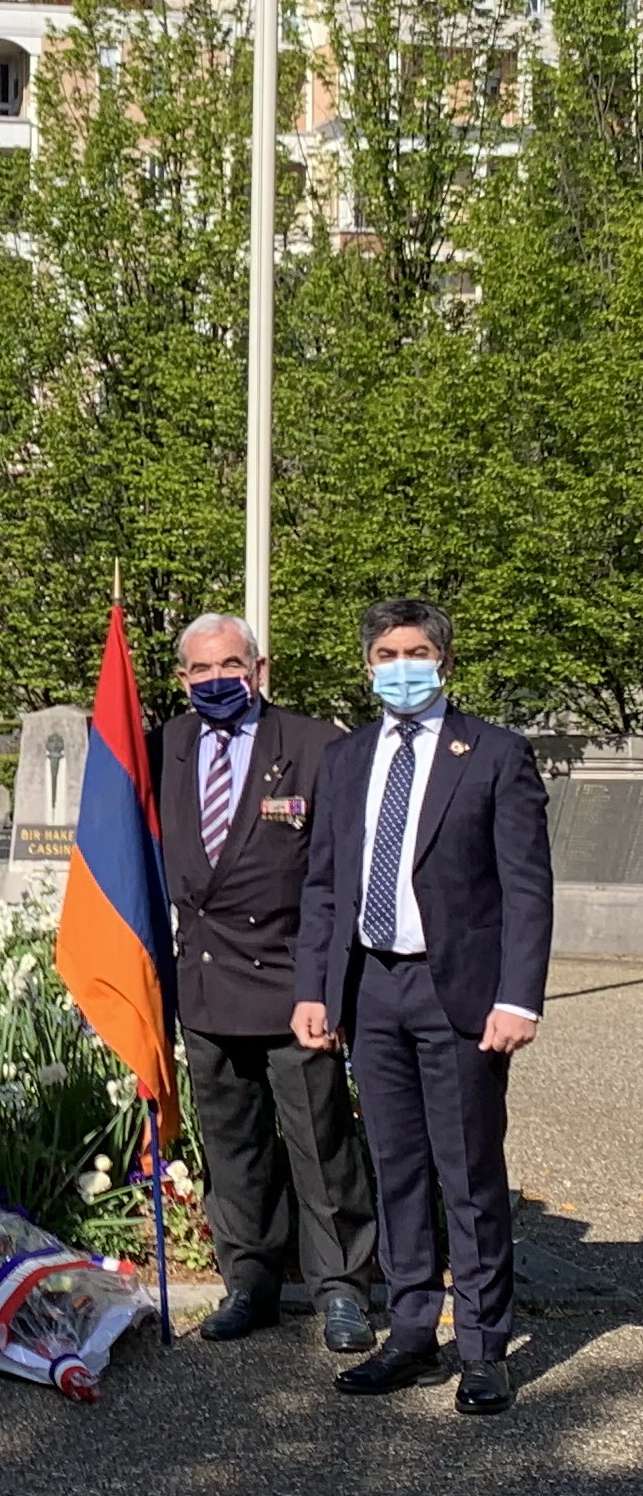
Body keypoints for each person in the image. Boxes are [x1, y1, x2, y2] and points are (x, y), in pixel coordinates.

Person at [294, 599, 554, 1415]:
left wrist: (518, 997)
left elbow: (524, 888)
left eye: (413, 650)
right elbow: (325, 884)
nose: (397, 663)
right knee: (395, 1167)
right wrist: (315, 986)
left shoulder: (494, 755)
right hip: (372, 986)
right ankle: (410, 1332)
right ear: (366, 663)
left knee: (467, 1171)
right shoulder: (344, 759)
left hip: (460, 994)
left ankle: (481, 1346)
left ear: (442, 661)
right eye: (383, 651)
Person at [148, 613, 377, 1352]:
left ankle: (340, 1286)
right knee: (231, 1143)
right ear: (181, 679)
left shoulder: (315, 746)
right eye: (199, 670)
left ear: (259, 667)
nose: (216, 680)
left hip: (291, 983)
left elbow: (335, 880)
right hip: (206, 980)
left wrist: (325, 986)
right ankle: (247, 1279)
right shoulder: (165, 746)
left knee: (319, 1142)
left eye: (230, 665)